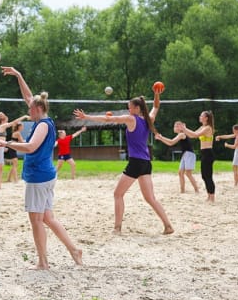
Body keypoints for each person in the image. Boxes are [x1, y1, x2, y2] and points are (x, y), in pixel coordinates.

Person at [0, 66, 82, 270]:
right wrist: (18, 75)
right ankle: (74, 249)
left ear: (38, 109)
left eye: (30, 108)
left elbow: (30, 147)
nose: (27, 110)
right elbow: (28, 96)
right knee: (47, 218)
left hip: (39, 177)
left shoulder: (43, 125)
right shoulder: (44, 119)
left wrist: (7, 143)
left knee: (36, 220)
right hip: (45, 175)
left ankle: (43, 262)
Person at [73, 86, 174, 235]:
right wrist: (156, 94)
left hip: (135, 163)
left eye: (130, 107)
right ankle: (168, 226)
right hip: (146, 163)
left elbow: (109, 119)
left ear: (137, 108)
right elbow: (156, 106)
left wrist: (87, 117)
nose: (128, 109)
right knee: (150, 198)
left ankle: (117, 228)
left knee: (118, 194)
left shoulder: (131, 119)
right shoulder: (148, 119)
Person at [0, 114, 29, 189]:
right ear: (3, 120)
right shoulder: (2, 126)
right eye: (7, 120)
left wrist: (1, 147)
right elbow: (14, 122)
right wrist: (24, 117)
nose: (8, 121)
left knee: (0, 168)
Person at [155, 121, 200, 193]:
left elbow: (171, 142)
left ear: (180, 127)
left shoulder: (182, 134)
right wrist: (161, 138)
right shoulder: (180, 134)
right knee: (180, 173)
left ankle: (196, 190)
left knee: (188, 173)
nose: (174, 128)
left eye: (176, 126)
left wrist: (161, 137)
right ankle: (182, 190)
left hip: (189, 154)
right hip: (185, 154)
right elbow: (170, 143)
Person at [180, 111, 216, 202]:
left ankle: (212, 196)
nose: (200, 117)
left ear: (206, 118)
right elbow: (192, 135)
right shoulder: (202, 127)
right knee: (204, 176)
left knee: (208, 176)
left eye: (201, 116)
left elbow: (195, 135)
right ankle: (209, 195)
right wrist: (184, 129)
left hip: (208, 153)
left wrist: (184, 128)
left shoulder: (208, 128)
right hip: (204, 153)